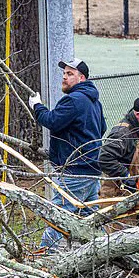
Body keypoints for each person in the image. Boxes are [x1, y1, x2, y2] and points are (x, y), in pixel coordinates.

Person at [28, 58, 107, 250]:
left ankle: (46, 257)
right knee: (91, 219)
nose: (64, 77)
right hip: (91, 171)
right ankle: (104, 253)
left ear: (81, 78)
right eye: (64, 73)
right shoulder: (94, 101)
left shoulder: (74, 100)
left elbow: (52, 120)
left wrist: (36, 106)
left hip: (74, 171)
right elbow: (102, 128)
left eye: (70, 74)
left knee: (58, 215)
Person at [99, 96, 139, 198]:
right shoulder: (121, 133)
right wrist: (126, 177)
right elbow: (105, 158)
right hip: (116, 193)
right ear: (138, 114)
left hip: (135, 192)